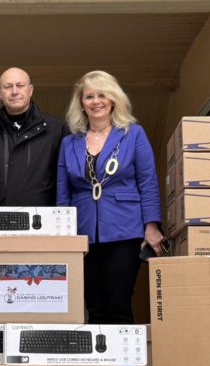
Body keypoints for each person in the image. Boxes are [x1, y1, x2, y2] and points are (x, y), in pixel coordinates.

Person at [57, 70, 164, 324]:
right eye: (89, 96)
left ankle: (122, 352)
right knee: (93, 307)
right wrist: (63, 234)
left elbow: (147, 182)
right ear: (81, 103)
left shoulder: (133, 134)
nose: (96, 101)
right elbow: (63, 192)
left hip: (125, 231)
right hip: (82, 233)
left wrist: (151, 226)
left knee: (118, 304)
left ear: (113, 99)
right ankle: (100, 353)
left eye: (102, 95)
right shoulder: (69, 143)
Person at [0, 67, 67, 206]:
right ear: (0, 94)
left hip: (42, 218)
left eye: (20, 85)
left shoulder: (56, 130)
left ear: (30, 90)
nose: (14, 91)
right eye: (8, 87)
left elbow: (65, 181)